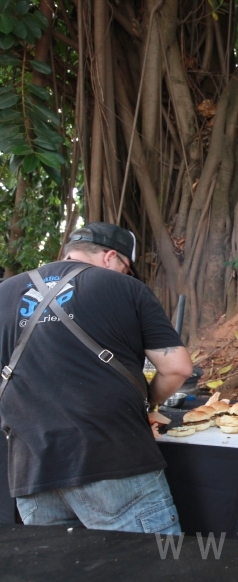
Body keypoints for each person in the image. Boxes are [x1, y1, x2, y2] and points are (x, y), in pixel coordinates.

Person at [0, 222, 193, 533]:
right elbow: (178, 367)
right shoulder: (125, 288)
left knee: (64, 580)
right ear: (110, 257)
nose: (127, 276)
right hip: (112, 460)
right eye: (127, 268)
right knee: (149, 576)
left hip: (32, 469)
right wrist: (149, 403)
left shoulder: (3, 293)